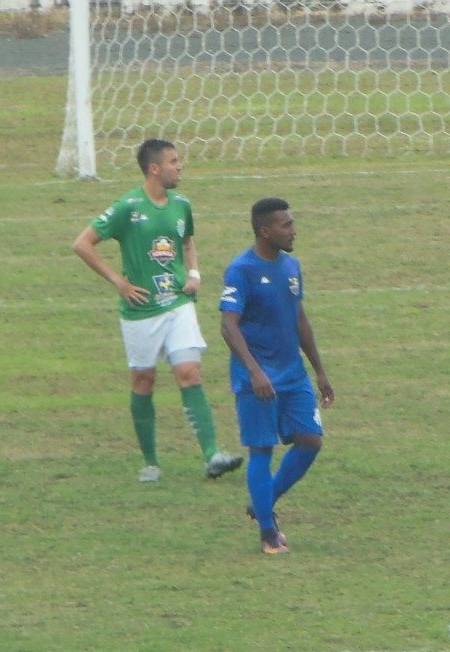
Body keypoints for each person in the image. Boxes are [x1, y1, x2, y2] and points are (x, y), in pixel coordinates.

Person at [73, 138, 243, 483]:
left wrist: (193, 274)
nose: (180, 167)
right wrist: (119, 282)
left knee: (190, 373)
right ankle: (151, 462)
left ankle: (213, 455)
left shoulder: (181, 204)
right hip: (140, 312)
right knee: (143, 380)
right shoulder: (127, 207)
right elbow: (82, 243)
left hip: (178, 305)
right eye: (173, 161)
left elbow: (186, 241)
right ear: (155, 168)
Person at [219, 198, 334, 554]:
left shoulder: (291, 266)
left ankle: (263, 501)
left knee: (310, 440)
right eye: (285, 225)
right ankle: (268, 534)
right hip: (259, 379)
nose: (293, 230)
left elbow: (298, 318)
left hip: (293, 374)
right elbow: (228, 325)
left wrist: (319, 371)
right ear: (265, 231)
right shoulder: (242, 270)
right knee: (262, 450)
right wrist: (254, 371)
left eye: (292, 223)